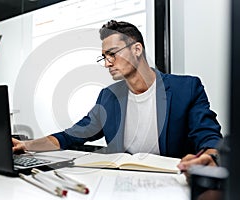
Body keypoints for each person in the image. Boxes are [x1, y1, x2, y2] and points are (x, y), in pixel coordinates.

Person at [12, 20, 222, 172]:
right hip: (122, 183)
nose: (107, 63)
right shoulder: (108, 97)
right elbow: (71, 135)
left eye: (112, 54)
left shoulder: (186, 88)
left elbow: (208, 135)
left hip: (172, 181)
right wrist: (27, 145)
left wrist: (210, 157)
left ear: (137, 49)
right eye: (103, 57)